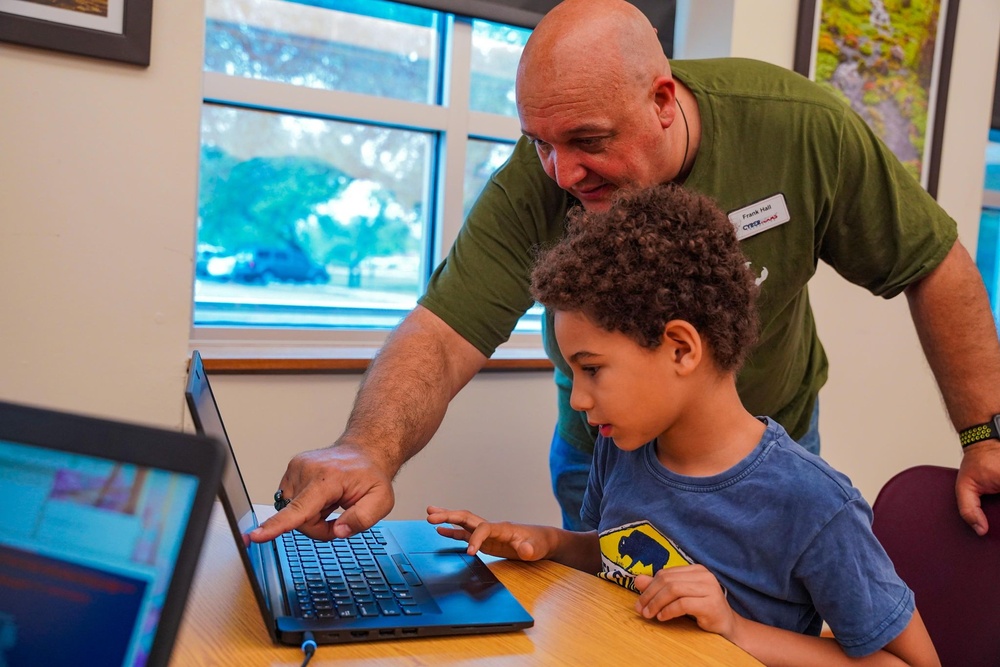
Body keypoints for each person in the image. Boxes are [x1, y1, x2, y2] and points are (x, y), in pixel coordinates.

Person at [250, 0, 1000, 544]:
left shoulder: (801, 130)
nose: (563, 170)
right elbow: (445, 332)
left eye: (586, 140)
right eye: (539, 142)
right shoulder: (542, 174)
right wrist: (367, 447)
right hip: (606, 461)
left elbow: (932, 263)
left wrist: (984, 433)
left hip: (773, 449)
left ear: (664, 102)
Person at [428, 183, 939, 666]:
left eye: (592, 369)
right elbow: (616, 555)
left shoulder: (815, 504)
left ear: (681, 349)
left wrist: (734, 628)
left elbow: (913, 663)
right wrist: (545, 543)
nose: (579, 399)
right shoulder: (621, 447)